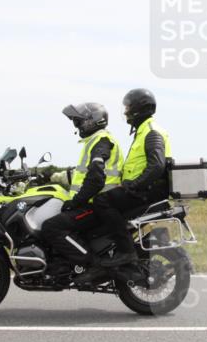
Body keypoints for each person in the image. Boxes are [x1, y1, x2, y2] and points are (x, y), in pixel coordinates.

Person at [94, 88, 171, 267]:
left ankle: (126, 251)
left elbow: (156, 166)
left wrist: (134, 186)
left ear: (139, 109)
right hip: (143, 189)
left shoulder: (151, 132)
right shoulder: (143, 131)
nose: (126, 112)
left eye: (128, 108)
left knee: (101, 201)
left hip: (147, 190)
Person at [40, 102, 121, 272]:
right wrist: (50, 176)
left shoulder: (101, 141)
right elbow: (80, 174)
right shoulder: (94, 142)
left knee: (51, 227)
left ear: (92, 121)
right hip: (95, 202)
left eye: (79, 121)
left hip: (96, 204)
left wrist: (76, 201)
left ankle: (91, 264)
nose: (77, 125)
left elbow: (96, 179)